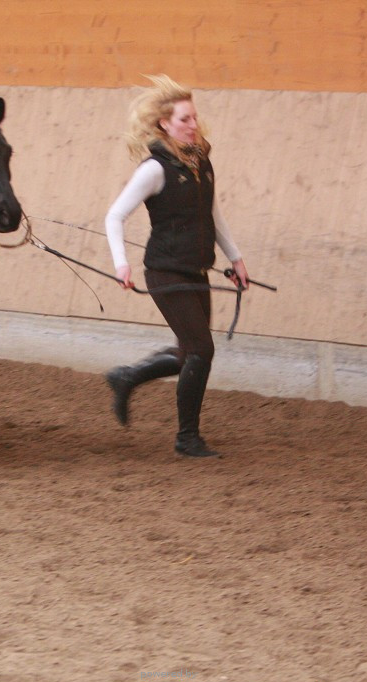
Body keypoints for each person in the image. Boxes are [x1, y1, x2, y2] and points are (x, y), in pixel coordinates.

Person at [104, 74, 250, 458]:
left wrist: (234, 258)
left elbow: (213, 214)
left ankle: (127, 376)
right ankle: (187, 438)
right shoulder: (154, 170)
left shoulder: (202, 160)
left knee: (189, 352)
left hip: (197, 270)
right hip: (166, 272)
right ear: (164, 124)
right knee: (201, 349)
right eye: (184, 119)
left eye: (194, 118)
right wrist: (122, 265)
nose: (192, 125)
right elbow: (114, 216)